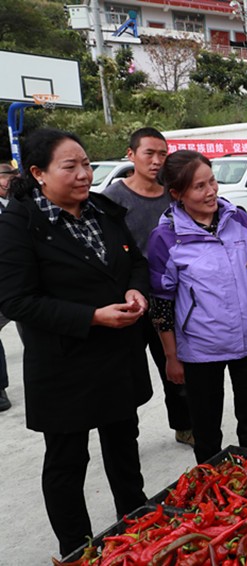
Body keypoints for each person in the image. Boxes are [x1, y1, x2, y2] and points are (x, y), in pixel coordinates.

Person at [0, 129, 152, 556]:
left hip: (117, 357)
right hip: (64, 366)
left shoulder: (103, 210)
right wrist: (92, 316)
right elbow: (17, 300)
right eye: (70, 167)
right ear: (38, 173)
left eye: (86, 164)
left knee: (124, 450)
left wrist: (135, 290)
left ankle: (138, 530)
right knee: (67, 462)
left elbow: (136, 262)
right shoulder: (19, 225)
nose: (84, 174)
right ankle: (77, 551)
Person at [147, 150, 247, 464]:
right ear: (177, 194)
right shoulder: (166, 238)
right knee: (206, 432)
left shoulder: (239, 219)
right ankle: (212, 488)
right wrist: (171, 356)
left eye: (212, 181)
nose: (211, 191)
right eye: (199, 186)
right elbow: (161, 303)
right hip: (201, 349)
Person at [103, 128, 194, 446]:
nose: (157, 161)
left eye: (162, 154)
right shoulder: (112, 198)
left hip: (170, 298)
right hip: (131, 299)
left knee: (176, 366)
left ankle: (185, 426)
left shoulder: (173, 193)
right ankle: (126, 437)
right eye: (149, 153)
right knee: (127, 374)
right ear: (131, 155)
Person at [0, 162, 19, 412]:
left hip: (25, 282)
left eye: (13, 177)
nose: (9, 182)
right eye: (5, 177)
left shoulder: (21, 201)